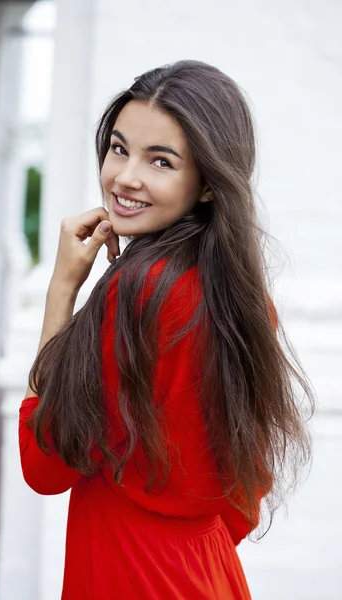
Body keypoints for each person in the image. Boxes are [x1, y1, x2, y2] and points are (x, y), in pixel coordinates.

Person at [18, 60, 314, 599]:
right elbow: (247, 485)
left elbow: (45, 465)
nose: (125, 177)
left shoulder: (138, 293)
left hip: (125, 569)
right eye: (119, 148)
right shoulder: (242, 295)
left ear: (207, 184)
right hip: (207, 569)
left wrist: (62, 289)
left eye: (161, 161)